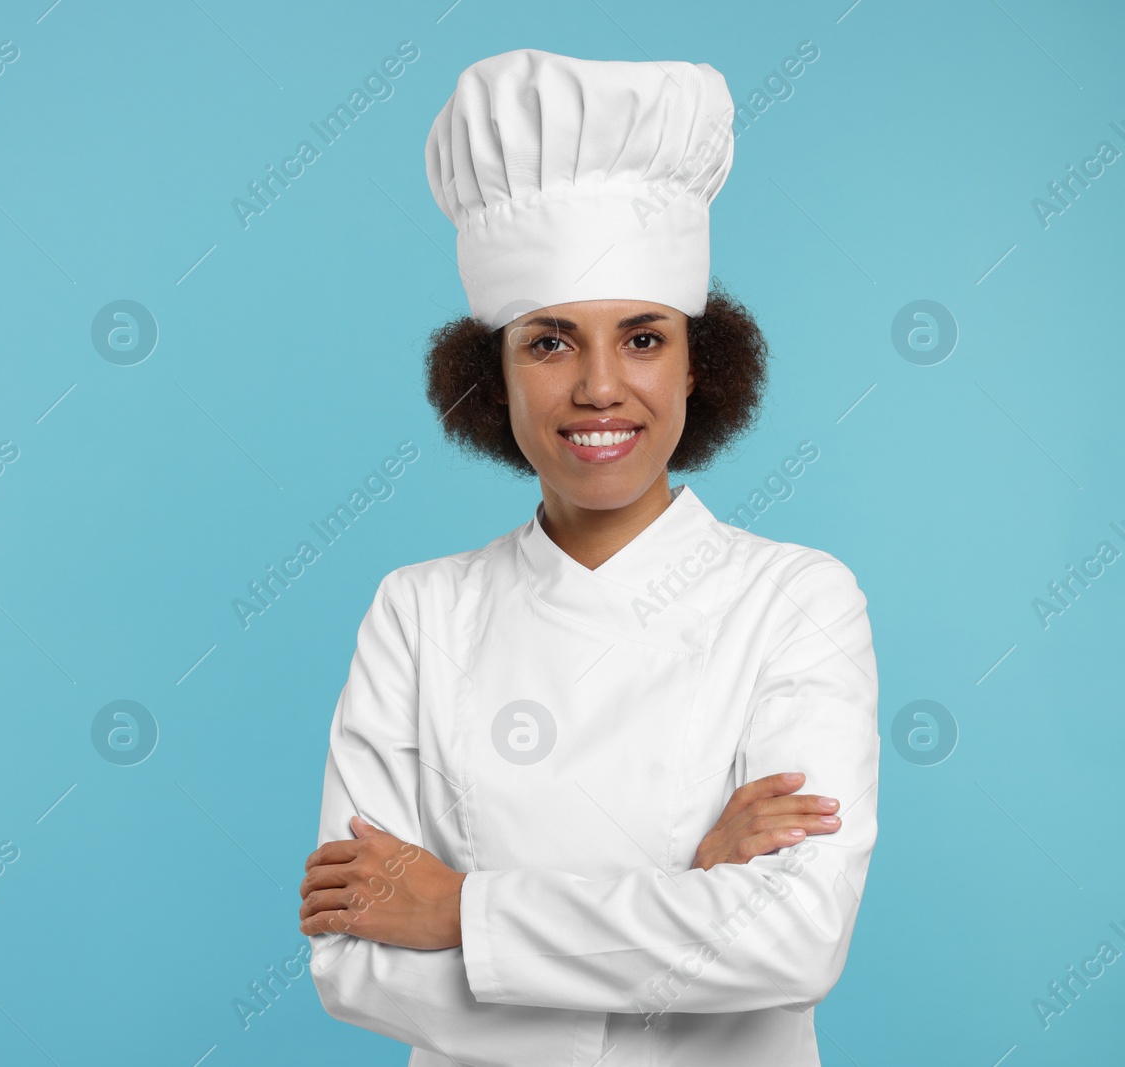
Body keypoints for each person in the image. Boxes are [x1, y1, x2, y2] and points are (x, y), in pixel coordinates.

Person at [298, 50, 880, 1066]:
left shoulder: (796, 597)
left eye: (644, 338)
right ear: (495, 374)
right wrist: (692, 899)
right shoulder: (418, 610)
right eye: (551, 341)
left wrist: (460, 911)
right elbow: (354, 961)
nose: (601, 388)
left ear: (701, 364)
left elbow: (794, 940)